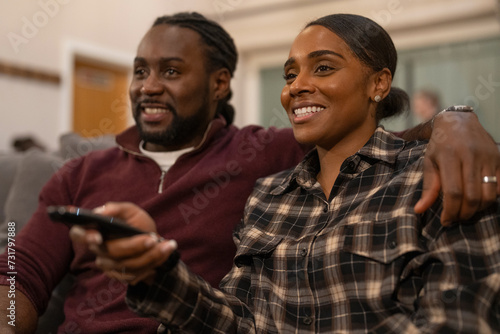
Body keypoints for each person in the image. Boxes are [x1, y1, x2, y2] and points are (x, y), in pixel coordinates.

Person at [0, 12, 498, 333]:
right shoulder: (80, 172)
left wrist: (457, 118)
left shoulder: (259, 154)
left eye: (171, 72)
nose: (148, 87)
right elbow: (16, 271)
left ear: (220, 85)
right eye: (140, 71)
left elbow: (368, 137)